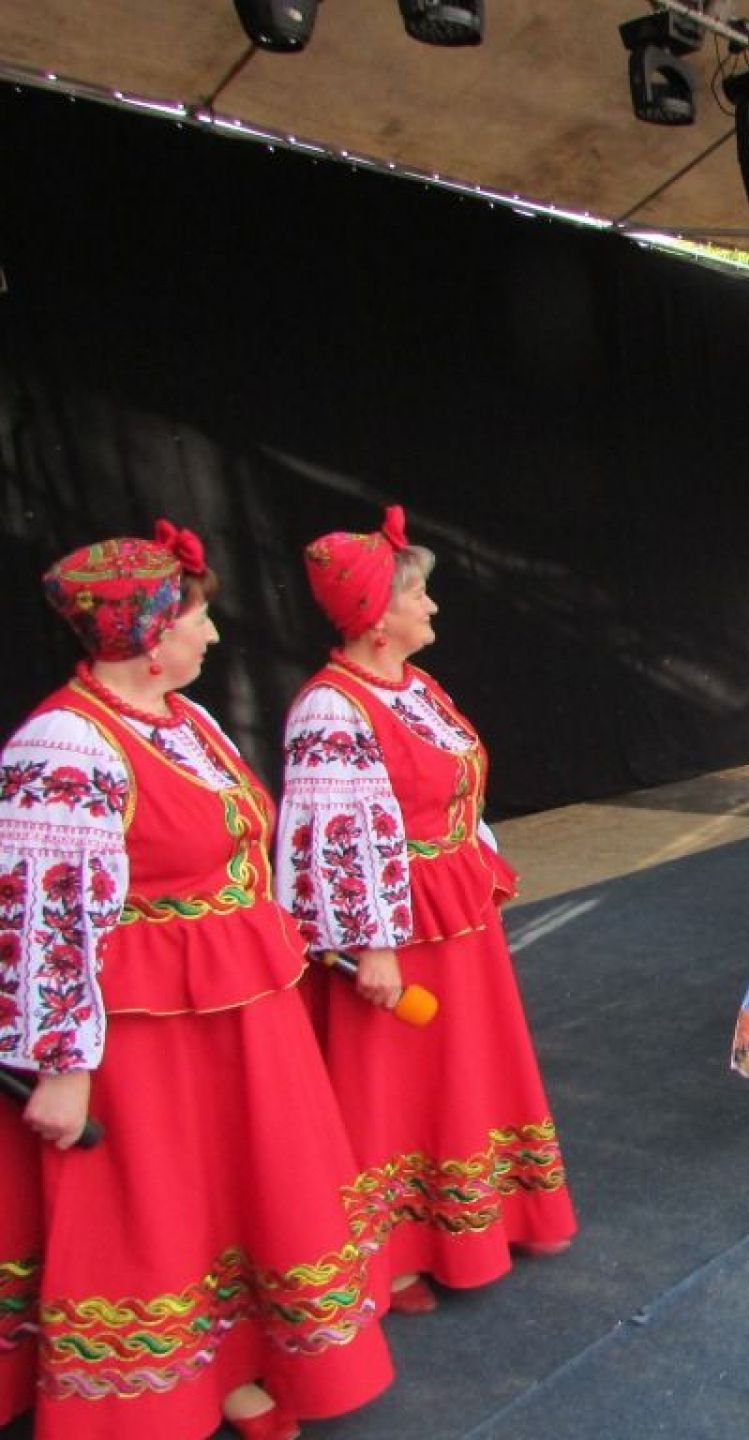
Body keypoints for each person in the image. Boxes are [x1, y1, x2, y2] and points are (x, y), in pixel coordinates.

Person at [0, 524, 392, 1440]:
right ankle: (148, 1402)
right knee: (157, 1204)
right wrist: (59, 1064)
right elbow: (46, 914)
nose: (212, 635)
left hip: (234, 1007)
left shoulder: (187, 721)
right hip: (146, 1029)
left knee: (234, 1192)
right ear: (149, 634)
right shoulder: (63, 742)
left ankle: (233, 1366)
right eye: (197, 619)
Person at [276, 506, 576, 1318]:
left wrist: (475, 859)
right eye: (418, 596)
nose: (433, 606)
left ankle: (485, 1218)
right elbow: (329, 841)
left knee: (465, 1069)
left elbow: (454, 787)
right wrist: (368, 947)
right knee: (396, 1087)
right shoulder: (331, 710)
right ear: (378, 618)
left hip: (451, 909)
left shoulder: (415, 686)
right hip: (396, 930)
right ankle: (399, 1252)